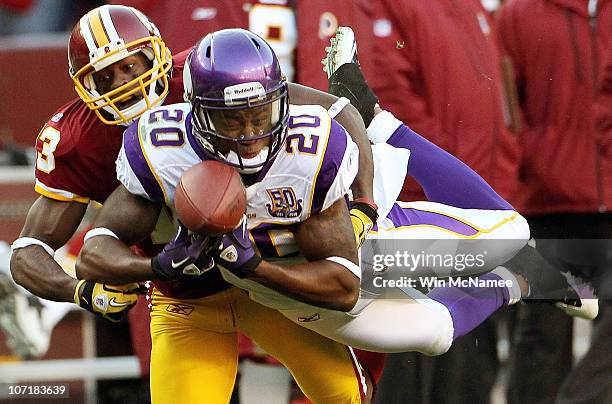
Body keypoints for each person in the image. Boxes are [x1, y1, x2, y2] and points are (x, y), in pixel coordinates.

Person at [77, 29, 592, 373]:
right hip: (297, 295)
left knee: (513, 231)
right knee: (434, 333)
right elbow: (96, 249)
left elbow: (345, 283)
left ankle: (383, 119)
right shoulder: (160, 150)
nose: (252, 135)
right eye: (232, 121)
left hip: (359, 253)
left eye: (261, 114)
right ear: (197, 114)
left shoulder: (309, 148)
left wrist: (256, 265)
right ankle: (518, 282)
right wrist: (160, 266)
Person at [9, 5, 380, 403]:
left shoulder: (206, 75)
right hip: (183, 294)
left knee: (345, 394)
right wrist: (82, 291)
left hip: (270, 276)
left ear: (158, 54)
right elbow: (29, 251)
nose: (123, 83)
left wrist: (363, 205)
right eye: (105, 76)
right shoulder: (79, 140)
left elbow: (338, 112)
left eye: (132, 66)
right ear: (83, 86)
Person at [496, 1, 612, 402]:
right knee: (542, 336)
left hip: (610, 201)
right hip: (547, 204)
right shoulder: (517, 14)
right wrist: (527, 165)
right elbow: (505, 108)